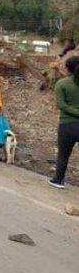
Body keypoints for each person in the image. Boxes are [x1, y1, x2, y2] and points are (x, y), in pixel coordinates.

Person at [49, 56, 79, 188]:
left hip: (67, 124)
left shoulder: (62, 84)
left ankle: (58, 180)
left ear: (68, 68)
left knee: (63, 154)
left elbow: (61, 105)